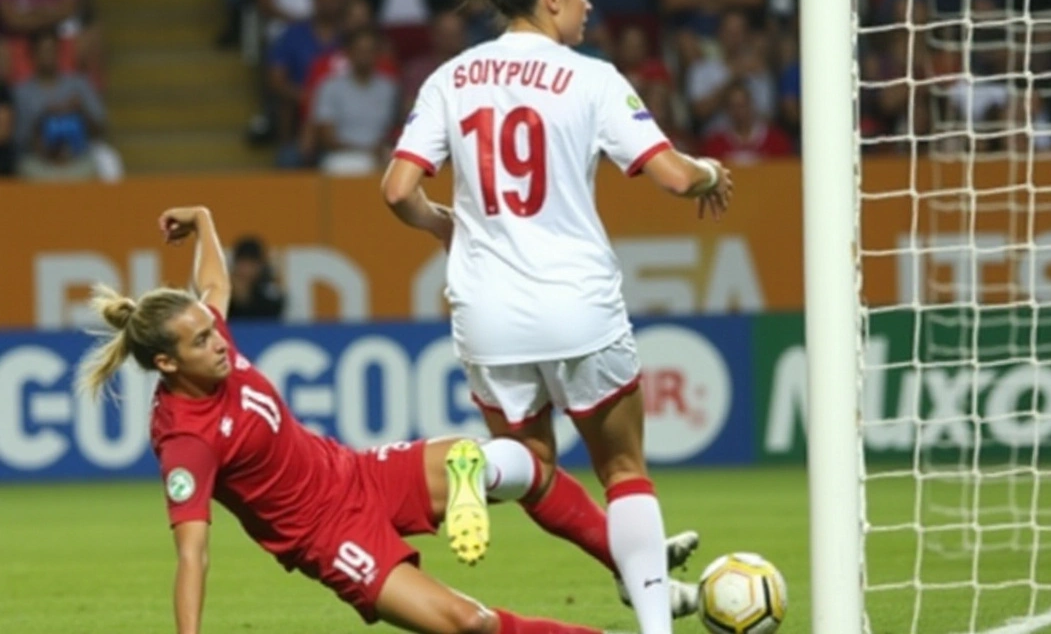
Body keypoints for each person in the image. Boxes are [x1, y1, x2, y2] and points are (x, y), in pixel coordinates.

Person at [74, 206, 698, 634]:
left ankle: (628, 567)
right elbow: (193, 555)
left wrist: (205, 218)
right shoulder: (186, 439)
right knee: (469, 624)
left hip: (358, 473)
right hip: (331, 539)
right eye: (202, 339)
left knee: (526, 466)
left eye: (215, 331)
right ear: (165, 362)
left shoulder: (210, 344)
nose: (219, 341)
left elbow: (211, 283)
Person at [380, 0, 733, 634]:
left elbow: (395, 189)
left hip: (485, 309)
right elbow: (669, 176)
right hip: (577, 304)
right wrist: (709, 174)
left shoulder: (450, 76)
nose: (589, 7)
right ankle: (659, 629)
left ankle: (478, 466)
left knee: (532, 464)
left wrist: (443, 225)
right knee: (625, 467)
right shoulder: (593, 77)